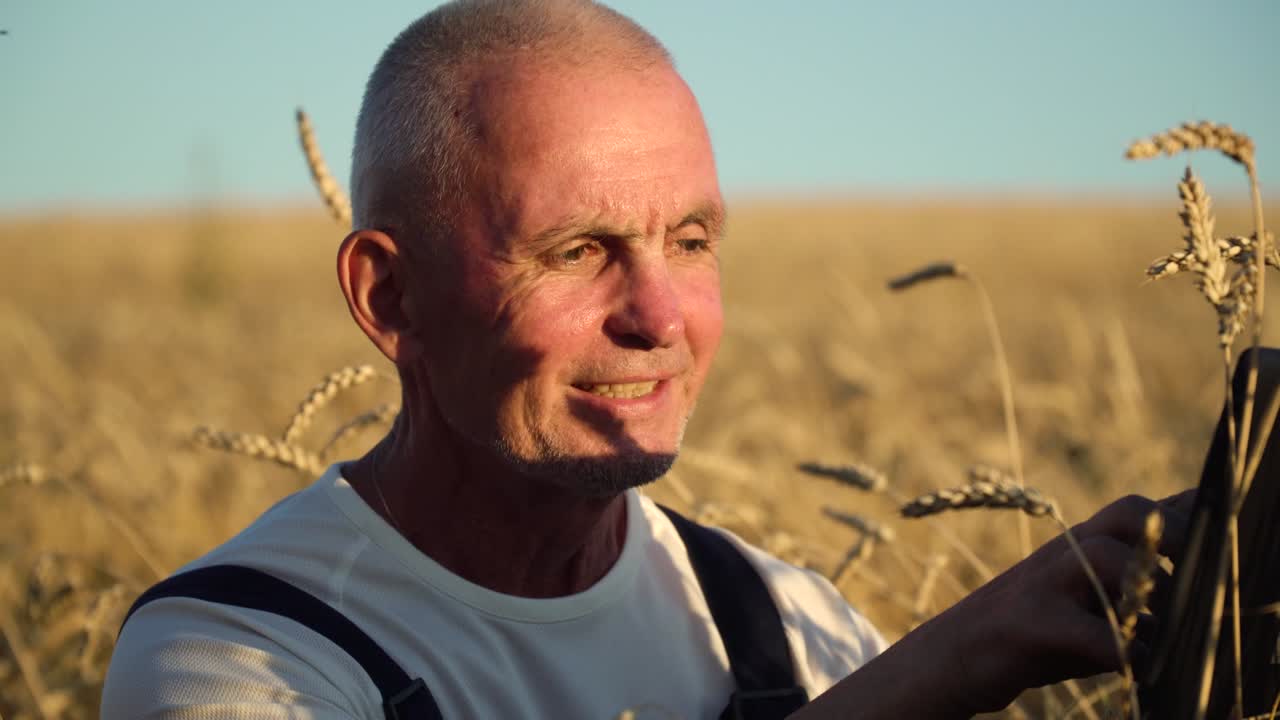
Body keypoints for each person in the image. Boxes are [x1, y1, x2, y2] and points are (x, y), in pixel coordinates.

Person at [101, 1, 1192, 718]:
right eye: (578, 251)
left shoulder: (781, 623)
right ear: (390, 298)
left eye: (691, 241)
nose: (660, 315)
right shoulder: (240, 653)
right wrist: (950, 667)